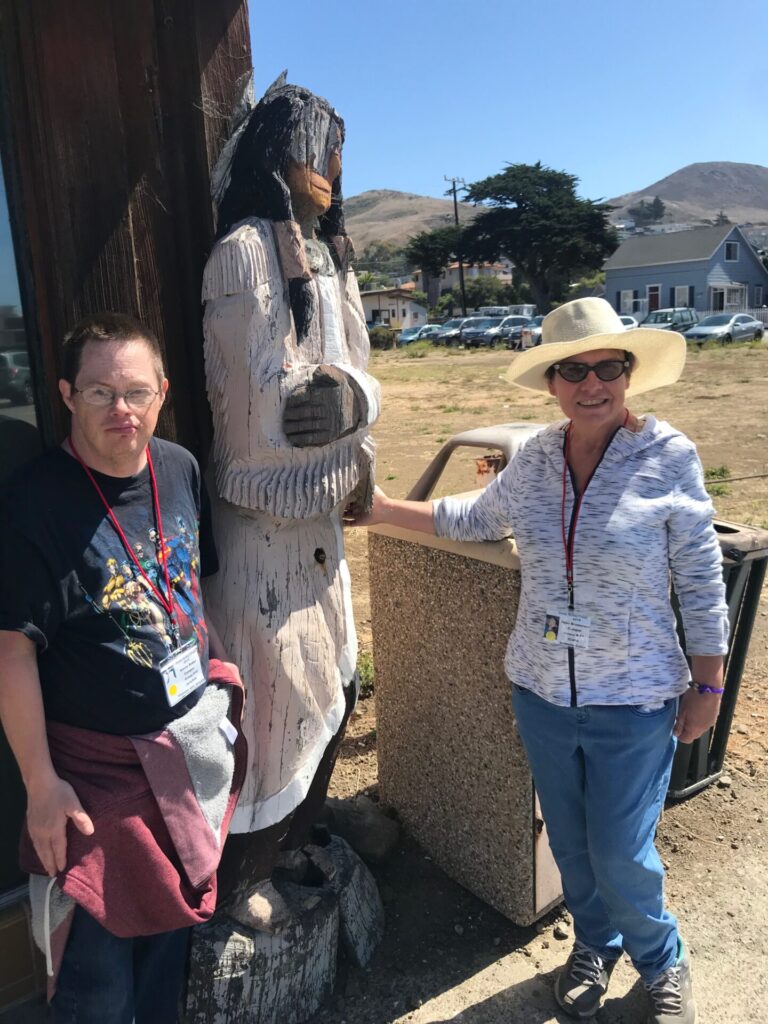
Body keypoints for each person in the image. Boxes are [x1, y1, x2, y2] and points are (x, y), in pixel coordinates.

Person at [349, 297, 729, 1024]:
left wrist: (708, 681)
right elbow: (476, 517)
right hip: (544, 693)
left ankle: (661, 959)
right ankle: (595, 942)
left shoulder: (666, 455)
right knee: (572, 843)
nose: (593, 384)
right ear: (553, 383)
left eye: (607, 367)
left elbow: (702, 576)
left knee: (621, 851)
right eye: (573, 370)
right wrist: (386, 509)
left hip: (637, 699)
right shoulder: (536, 460)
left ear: (629, 372)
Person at [0, 313, 246, 1023]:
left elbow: (191, 588)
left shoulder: (180, 467)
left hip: (186, 758)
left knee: (169, 952)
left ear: (163, 393)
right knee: (97, 981)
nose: (122, 410)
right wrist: (41, 784)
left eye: (137, 391)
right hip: (96, 782)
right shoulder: (31, 505)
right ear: (66, 395)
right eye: (101, 392)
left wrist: (220, 681)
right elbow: (11, 649)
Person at [201, 74, 380, 904]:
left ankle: (299, 841)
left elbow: (361, 382)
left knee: (331, 694)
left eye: (338, 152)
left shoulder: (335, 260)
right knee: (269, 712)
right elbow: (258, 411)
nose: (330, 167)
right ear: (277, 150)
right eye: (316, 145)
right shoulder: (242, 253)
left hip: (323, 539)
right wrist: (333, 424)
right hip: (265, 538)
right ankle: (243, 876)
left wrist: (355, 401)